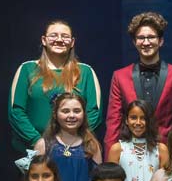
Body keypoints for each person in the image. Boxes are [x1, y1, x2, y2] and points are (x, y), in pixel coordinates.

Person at [103, 11, 172, 157]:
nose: (146, 42)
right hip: (129, 153)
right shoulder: (120, 76)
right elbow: (113, 121)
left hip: (166, 152)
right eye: (141, 38)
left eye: (151, 37)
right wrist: (110, 164)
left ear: (161, 41)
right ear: (134, 42)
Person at [8, 20, 102, 152]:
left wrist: (73, 140)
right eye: (53, 35)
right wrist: (36, 141)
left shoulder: (86, 72)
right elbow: (16, 111)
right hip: (34, 150)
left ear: (72, 42)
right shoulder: (27, 69)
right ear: (44, 40)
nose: (59, 40)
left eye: (65, 36)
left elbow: (94, 112)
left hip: (74, 149)